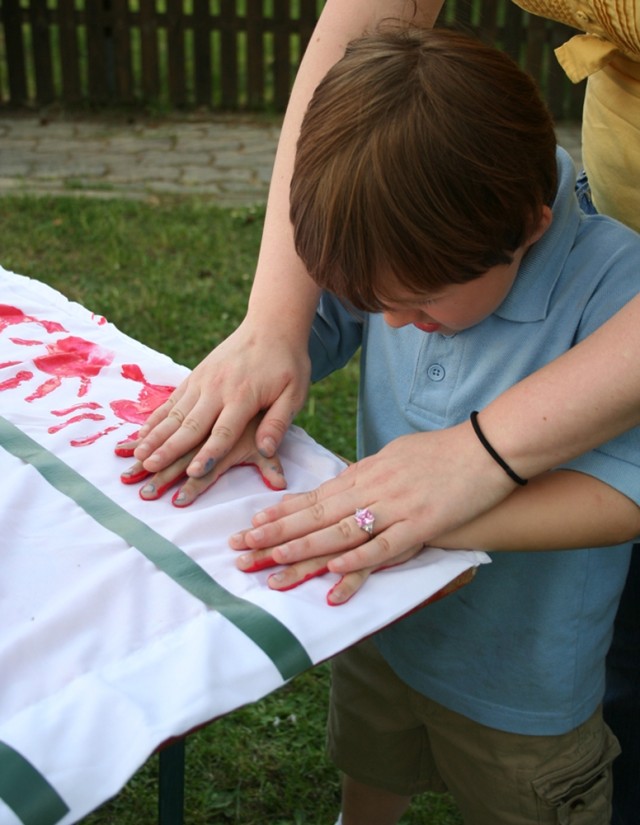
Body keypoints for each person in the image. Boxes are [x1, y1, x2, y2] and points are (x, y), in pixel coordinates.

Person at [117, 1, 640, 820]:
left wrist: (433, 521)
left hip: (525, 691)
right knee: (371, 763)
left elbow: (623, 497)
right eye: (373, 300)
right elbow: (325, 321)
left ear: (529, 226)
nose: (391, 323)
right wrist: (262, 363)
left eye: (420, 307)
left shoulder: (613, 290)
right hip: (379, 626)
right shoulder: (405, 231)